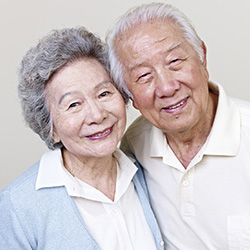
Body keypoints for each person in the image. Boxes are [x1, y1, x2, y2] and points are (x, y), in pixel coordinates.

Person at [0, 26, 164, 250]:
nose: (97, 115)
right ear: (50, 128)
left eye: (104, 93)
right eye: (73, 104)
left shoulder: (148, 170)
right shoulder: (16, 206)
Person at [106, 2, 250, 250]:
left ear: (202, 57)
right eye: (144, 76)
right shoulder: (133, 144)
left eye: (175, 61)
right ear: (129, 95)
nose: (166, 87)